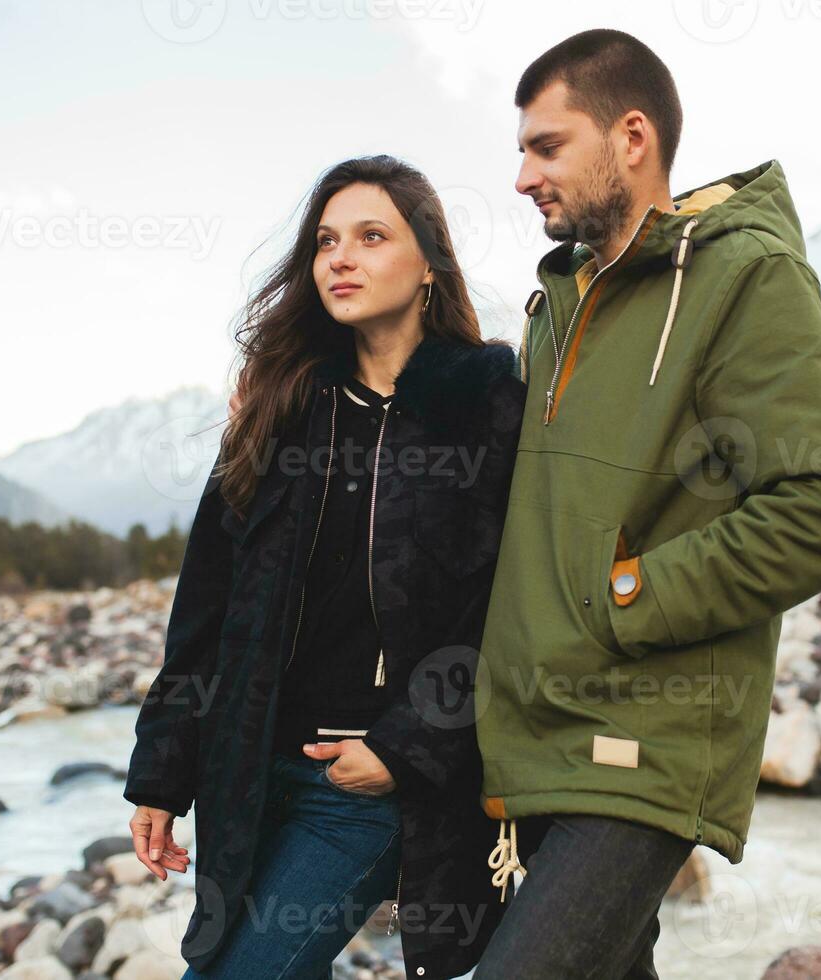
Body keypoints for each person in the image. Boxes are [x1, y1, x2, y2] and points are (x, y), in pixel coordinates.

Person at [472, 30, 821, 979]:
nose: (524, 176)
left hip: (643, 739)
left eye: (546, 146)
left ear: (633, 135)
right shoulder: (560, 301)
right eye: (522, 150)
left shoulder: (746, 277)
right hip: (540, 734)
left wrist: (625, 597)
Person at [123, 154, 525, 979]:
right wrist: (163, 771)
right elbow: (207, 601)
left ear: (428, 264)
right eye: (325, 241)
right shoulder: (283, 404)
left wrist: (407, 747)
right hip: (250, 767)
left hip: (366, 782)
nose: (340, 257)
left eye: (371, 236)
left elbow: (508, 609)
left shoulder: (486, 402)